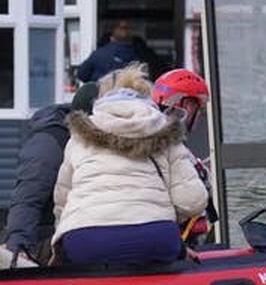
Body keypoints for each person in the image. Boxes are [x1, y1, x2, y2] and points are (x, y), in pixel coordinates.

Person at [52, 63, 209, 265]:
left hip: (85, 240)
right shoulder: (167, 133)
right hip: (156, 238)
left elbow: (61, 203)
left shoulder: (79, 138)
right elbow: (192, 201)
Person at [0, 82, 101, 268]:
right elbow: (28, 196)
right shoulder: (50, 142)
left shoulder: (84, 140)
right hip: (46, 236)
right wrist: (19, 246)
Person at [152, 68, 215, 241]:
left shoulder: (143, 135)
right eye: (198, 108)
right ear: (188, 105)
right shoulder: (173, 146)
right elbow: (191, 203)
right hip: (171, 237)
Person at [75, 19, 166, 83]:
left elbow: (81, 75)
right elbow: (160, 75)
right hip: (135, 104)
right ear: (133, 39)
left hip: (104, 105)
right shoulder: (145, 55)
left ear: (111, 37)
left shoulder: (98, 55)